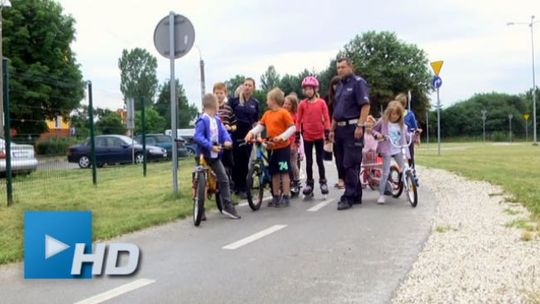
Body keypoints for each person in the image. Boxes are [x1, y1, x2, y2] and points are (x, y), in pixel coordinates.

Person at [329, 57, 371, 210]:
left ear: (350, 67)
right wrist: (332, 129)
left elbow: (365, 105)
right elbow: (336, 111)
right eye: (338, 67)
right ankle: (356, 193)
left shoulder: (358, 83)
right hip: (339, 128)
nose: (340, 70)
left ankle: (348, 196)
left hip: (353, 127)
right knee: (341, 163)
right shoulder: (340, 86)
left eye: (342, 67)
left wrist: (360, 125)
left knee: (351, 163)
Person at [245, 88, 296, 207]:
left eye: (267, 99)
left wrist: (282, 137)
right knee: (274, 173)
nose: (266, 101)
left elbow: (292, 128)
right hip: (271, 148)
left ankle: (286, 196)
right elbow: (260, 126)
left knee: (284, 172)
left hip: (283, 148)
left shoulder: (284, 113)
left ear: (273, 100)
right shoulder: (267, 114)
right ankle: (276, 196)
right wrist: (250, 133)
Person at [194, 94, 241, 219]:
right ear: (214, 105)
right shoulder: (203, 120)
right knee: (200, 182)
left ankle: (227, 205)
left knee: (223, 178)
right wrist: (210, 146)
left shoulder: (217, 119)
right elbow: (198, 136)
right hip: (203, 155)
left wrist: (227, 140)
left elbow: (224, 132)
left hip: (215, 156)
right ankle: (200, 209)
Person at [296, 76, 331, 198]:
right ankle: (309, 184)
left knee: (319, 161)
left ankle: (323, 182)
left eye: (310, 89)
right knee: (309, 162)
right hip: (307, 136)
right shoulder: (302, 104)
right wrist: (297, 133)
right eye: (306, 89)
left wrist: (327, 131)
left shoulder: (321, 103)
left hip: (319, 135)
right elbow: (298, 120)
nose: (308, 91)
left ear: (315, 89)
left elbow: (326, 118)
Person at [371, 101, 410, 204]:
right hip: (386, 150)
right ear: (389, 113)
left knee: (405, 168)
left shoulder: (401, 124)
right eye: (393, 114)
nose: (394, 116)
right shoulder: (383, 121)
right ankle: (381, 194)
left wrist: (414, 135)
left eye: (397, 114)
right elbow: (373, 130)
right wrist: (378, 135)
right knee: (385, 173)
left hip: (398, 149)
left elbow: (406, 136)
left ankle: (407, 188)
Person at [230, 78, 260, 199]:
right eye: (245, 85)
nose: (247, 87)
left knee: (245, 160)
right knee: (235, 161)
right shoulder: (234, 101)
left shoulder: (255, 102)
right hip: (235, 133)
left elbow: (256, 122)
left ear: (253, 88)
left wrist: (257, 135)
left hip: (248, 134)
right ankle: (235, 186)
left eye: (250, 85)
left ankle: (243, 187)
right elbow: (229, 115)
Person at [214, 82, 237, 191]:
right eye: (216, 93)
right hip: (214, 141)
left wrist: (230, 128)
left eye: (221, 93)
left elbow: (235, 125)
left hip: (226, 141)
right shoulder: (211, 109)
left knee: (227, 164)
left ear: (225, 94)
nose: (218, 95)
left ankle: (229, 185)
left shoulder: (228, 109)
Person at [325, 76, 344, 189]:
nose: (336, 87)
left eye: (338, 84)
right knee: (338, 156)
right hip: (333, 129)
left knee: (347, 155)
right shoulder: (328, 98)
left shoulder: (345, 96)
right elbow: (325, 115)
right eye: (334, 84)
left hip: (345, 127)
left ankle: (347, 178)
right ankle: (341, 178)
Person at [395, 93, 422, 170]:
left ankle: (412, 173)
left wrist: (417, 138)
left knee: (410, 156)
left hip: (408, 139)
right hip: (398, 139)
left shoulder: (410, 114)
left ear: (404, 104)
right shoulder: (395, 114)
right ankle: (401, 175)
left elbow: (415, 128)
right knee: (399, 158)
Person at [283, 93, 301, 195]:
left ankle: (296, 181)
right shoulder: (282, 113)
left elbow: (296, 130)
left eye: (288, 104)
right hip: (283, 142)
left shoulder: (295, 116)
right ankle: (286, 182)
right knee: (284, 164)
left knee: (292, 163)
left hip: (292, 142)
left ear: (293, 106)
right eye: (285, 103)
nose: (286, 106)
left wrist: (294, 143)